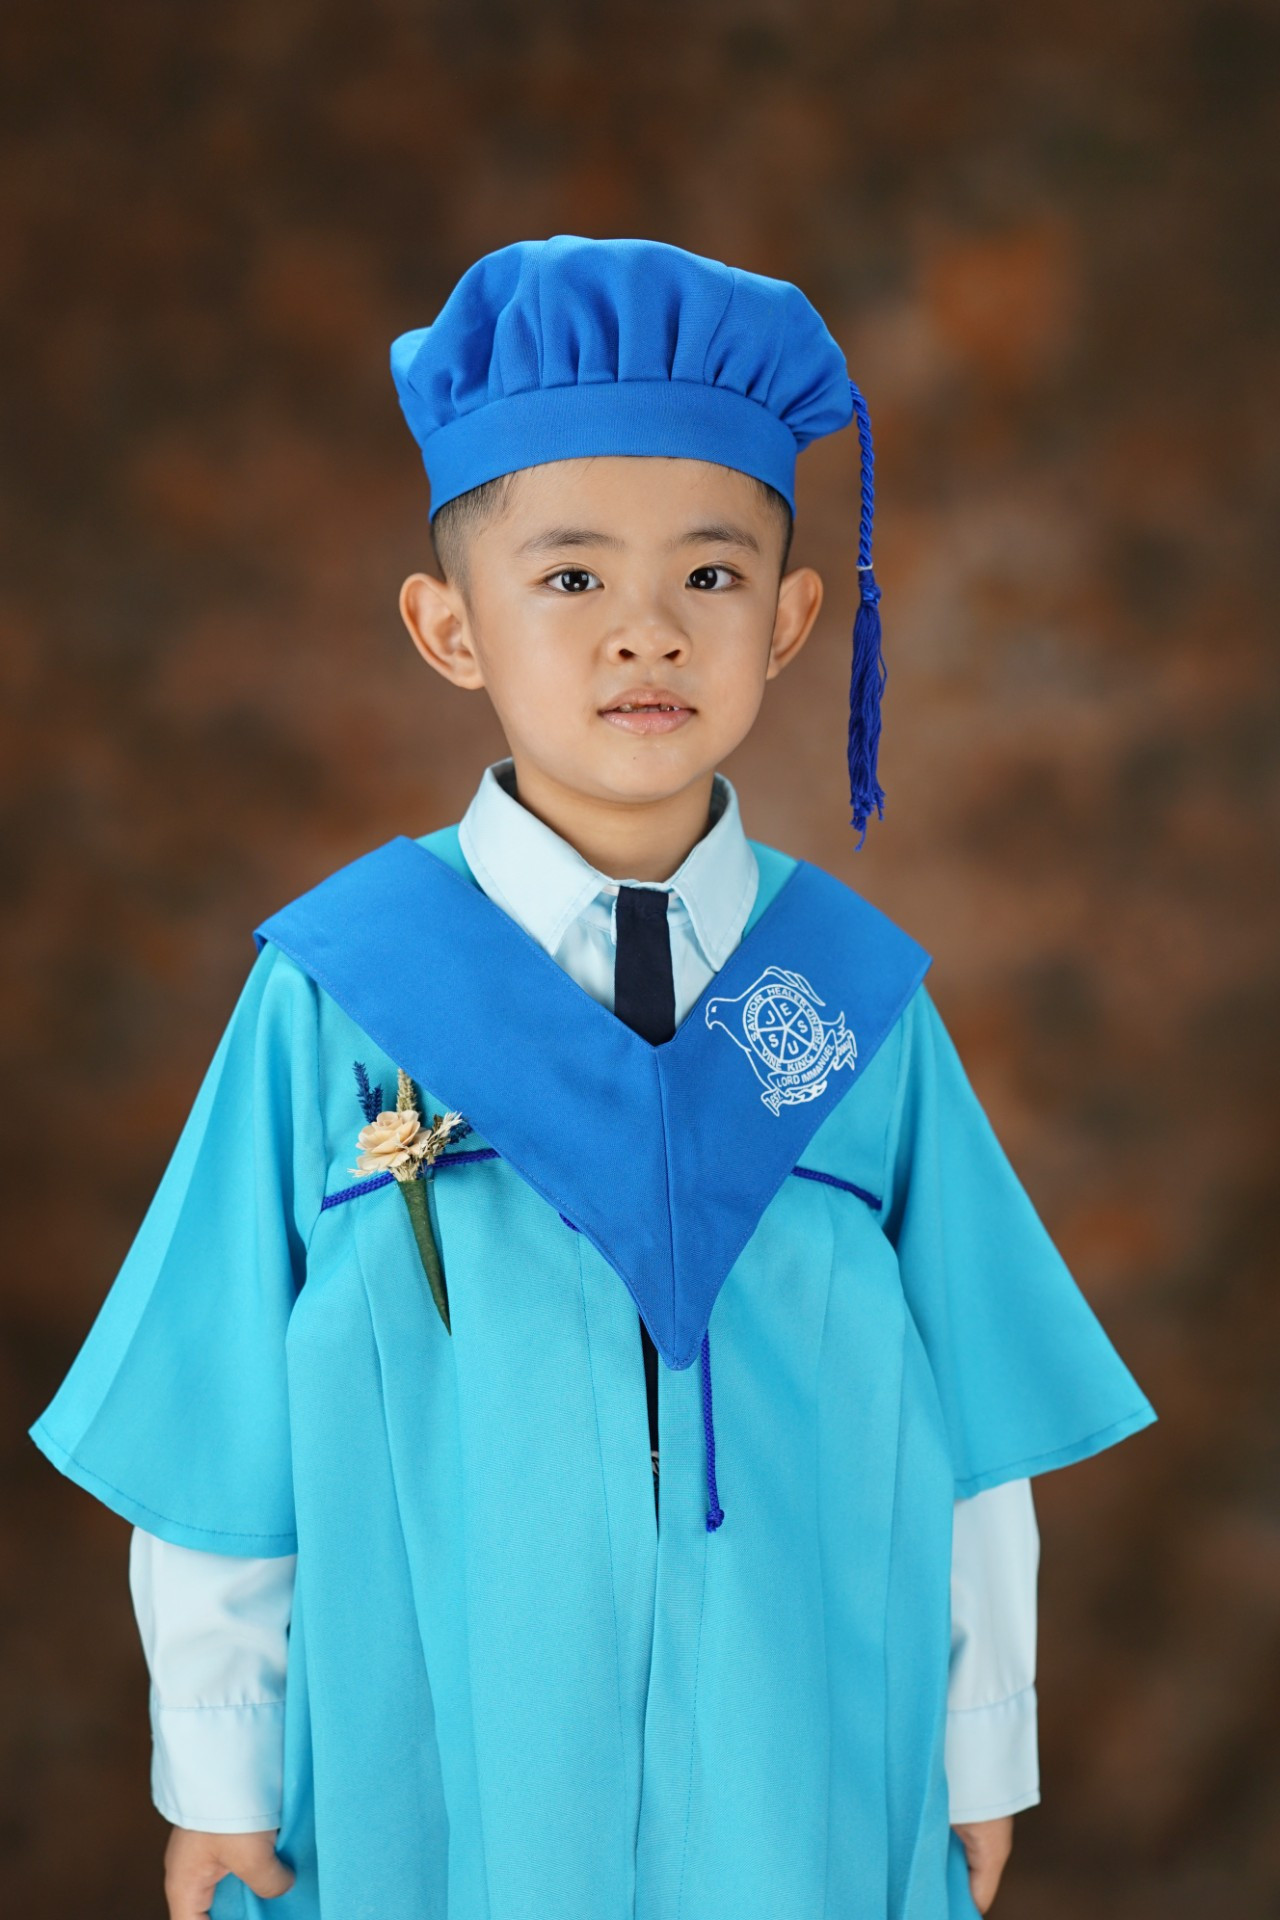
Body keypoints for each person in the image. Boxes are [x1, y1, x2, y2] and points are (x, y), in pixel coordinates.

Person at [28, 235, 1156, 1920]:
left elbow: (972, 1421)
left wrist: (980, 1741)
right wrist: (218, 1767)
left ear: (791, 622)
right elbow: (215, 1420)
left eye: (709, 576)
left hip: (803, 1762)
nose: (647, 633)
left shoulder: (848, 1009)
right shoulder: (339, 999)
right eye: (569, 579)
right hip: (438, 1765)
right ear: (449, 628)